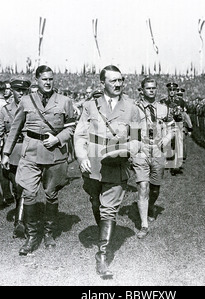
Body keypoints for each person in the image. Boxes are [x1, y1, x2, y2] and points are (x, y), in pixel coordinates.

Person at [74, 65, 141, 278]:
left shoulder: (131, 107)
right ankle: (103, 233)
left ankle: (102, 256)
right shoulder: (89, 106)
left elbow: (137, 139)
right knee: (96, 203)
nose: (118, 84)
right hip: (92, 165)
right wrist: (82, 157)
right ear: (102, 82)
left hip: (116, 165)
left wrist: (125, 150)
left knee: (109, 209)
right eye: (113, 81)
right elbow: (80, 135)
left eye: (121, 80)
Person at [2, 65, 76, 255]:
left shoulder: (65, 101)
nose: (48, 82)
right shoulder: (26, 101)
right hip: (31, 152)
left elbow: (71, 127)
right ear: (36, 80)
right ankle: (32, 236)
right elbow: (15, 129)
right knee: (28, 193)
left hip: (54, 153)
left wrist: (58, 138)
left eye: (51, 79)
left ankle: (49, 233)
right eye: (44, 79)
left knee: (51, 194)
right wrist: (6, 152)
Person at [132, 77, 174, 239]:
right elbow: (132, 130)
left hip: (158, 152)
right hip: (141, 152)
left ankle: (150, 206)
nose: (151, 90)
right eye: (148, 88)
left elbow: (172, 128)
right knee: (143, 186)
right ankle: (144, 225)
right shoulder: (135, 109)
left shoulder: (164, 109)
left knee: (155, 188)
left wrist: (167, 139)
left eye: (154, 88)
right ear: (141, 90)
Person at [0, 78, 31, 238]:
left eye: (23, 90)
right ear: (11, 91)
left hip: (29, 151)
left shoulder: (33, 108)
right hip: (12, 153)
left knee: (25, 187)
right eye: (17, 90)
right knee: (16, 187)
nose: (20, 93)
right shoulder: (6, 110)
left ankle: (21, 222)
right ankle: (21, 215)